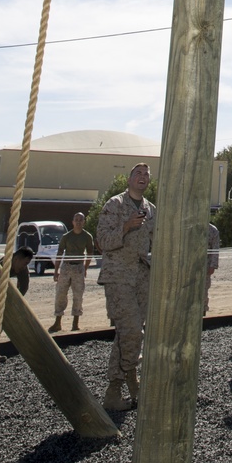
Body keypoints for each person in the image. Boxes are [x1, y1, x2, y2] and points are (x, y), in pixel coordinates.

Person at [96, 163, 156, 410]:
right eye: (137, 174)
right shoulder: (115, 205)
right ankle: (127, 381)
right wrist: (126, 227)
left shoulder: (151, 209)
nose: (142, 177)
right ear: (129, 179)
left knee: (127, 333)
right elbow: (102, 241)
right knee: (132, 331)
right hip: (118, 276)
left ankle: (118, 389)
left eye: (146, 175)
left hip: (142, 278)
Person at [50, 212, 94, 332]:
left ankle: (75, 323)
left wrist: (85, 268)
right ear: (73, 222)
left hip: (78, 267)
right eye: (76, 219)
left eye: (81, 220)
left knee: (78, 295)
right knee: (60, 294)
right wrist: (56, 271)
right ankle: (58, 322)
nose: (78, 222)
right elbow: (59, 253)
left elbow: (90, 253)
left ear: (84, 222)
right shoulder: (66, 236)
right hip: (66, 267)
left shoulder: (87, 237)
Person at [204, 220, 221, 314]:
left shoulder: (213, 230)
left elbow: (215, 249)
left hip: (205, 265)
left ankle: (203, 312)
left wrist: (213, 265)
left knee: (203, 290)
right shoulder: (190, 227)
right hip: (190, 265)